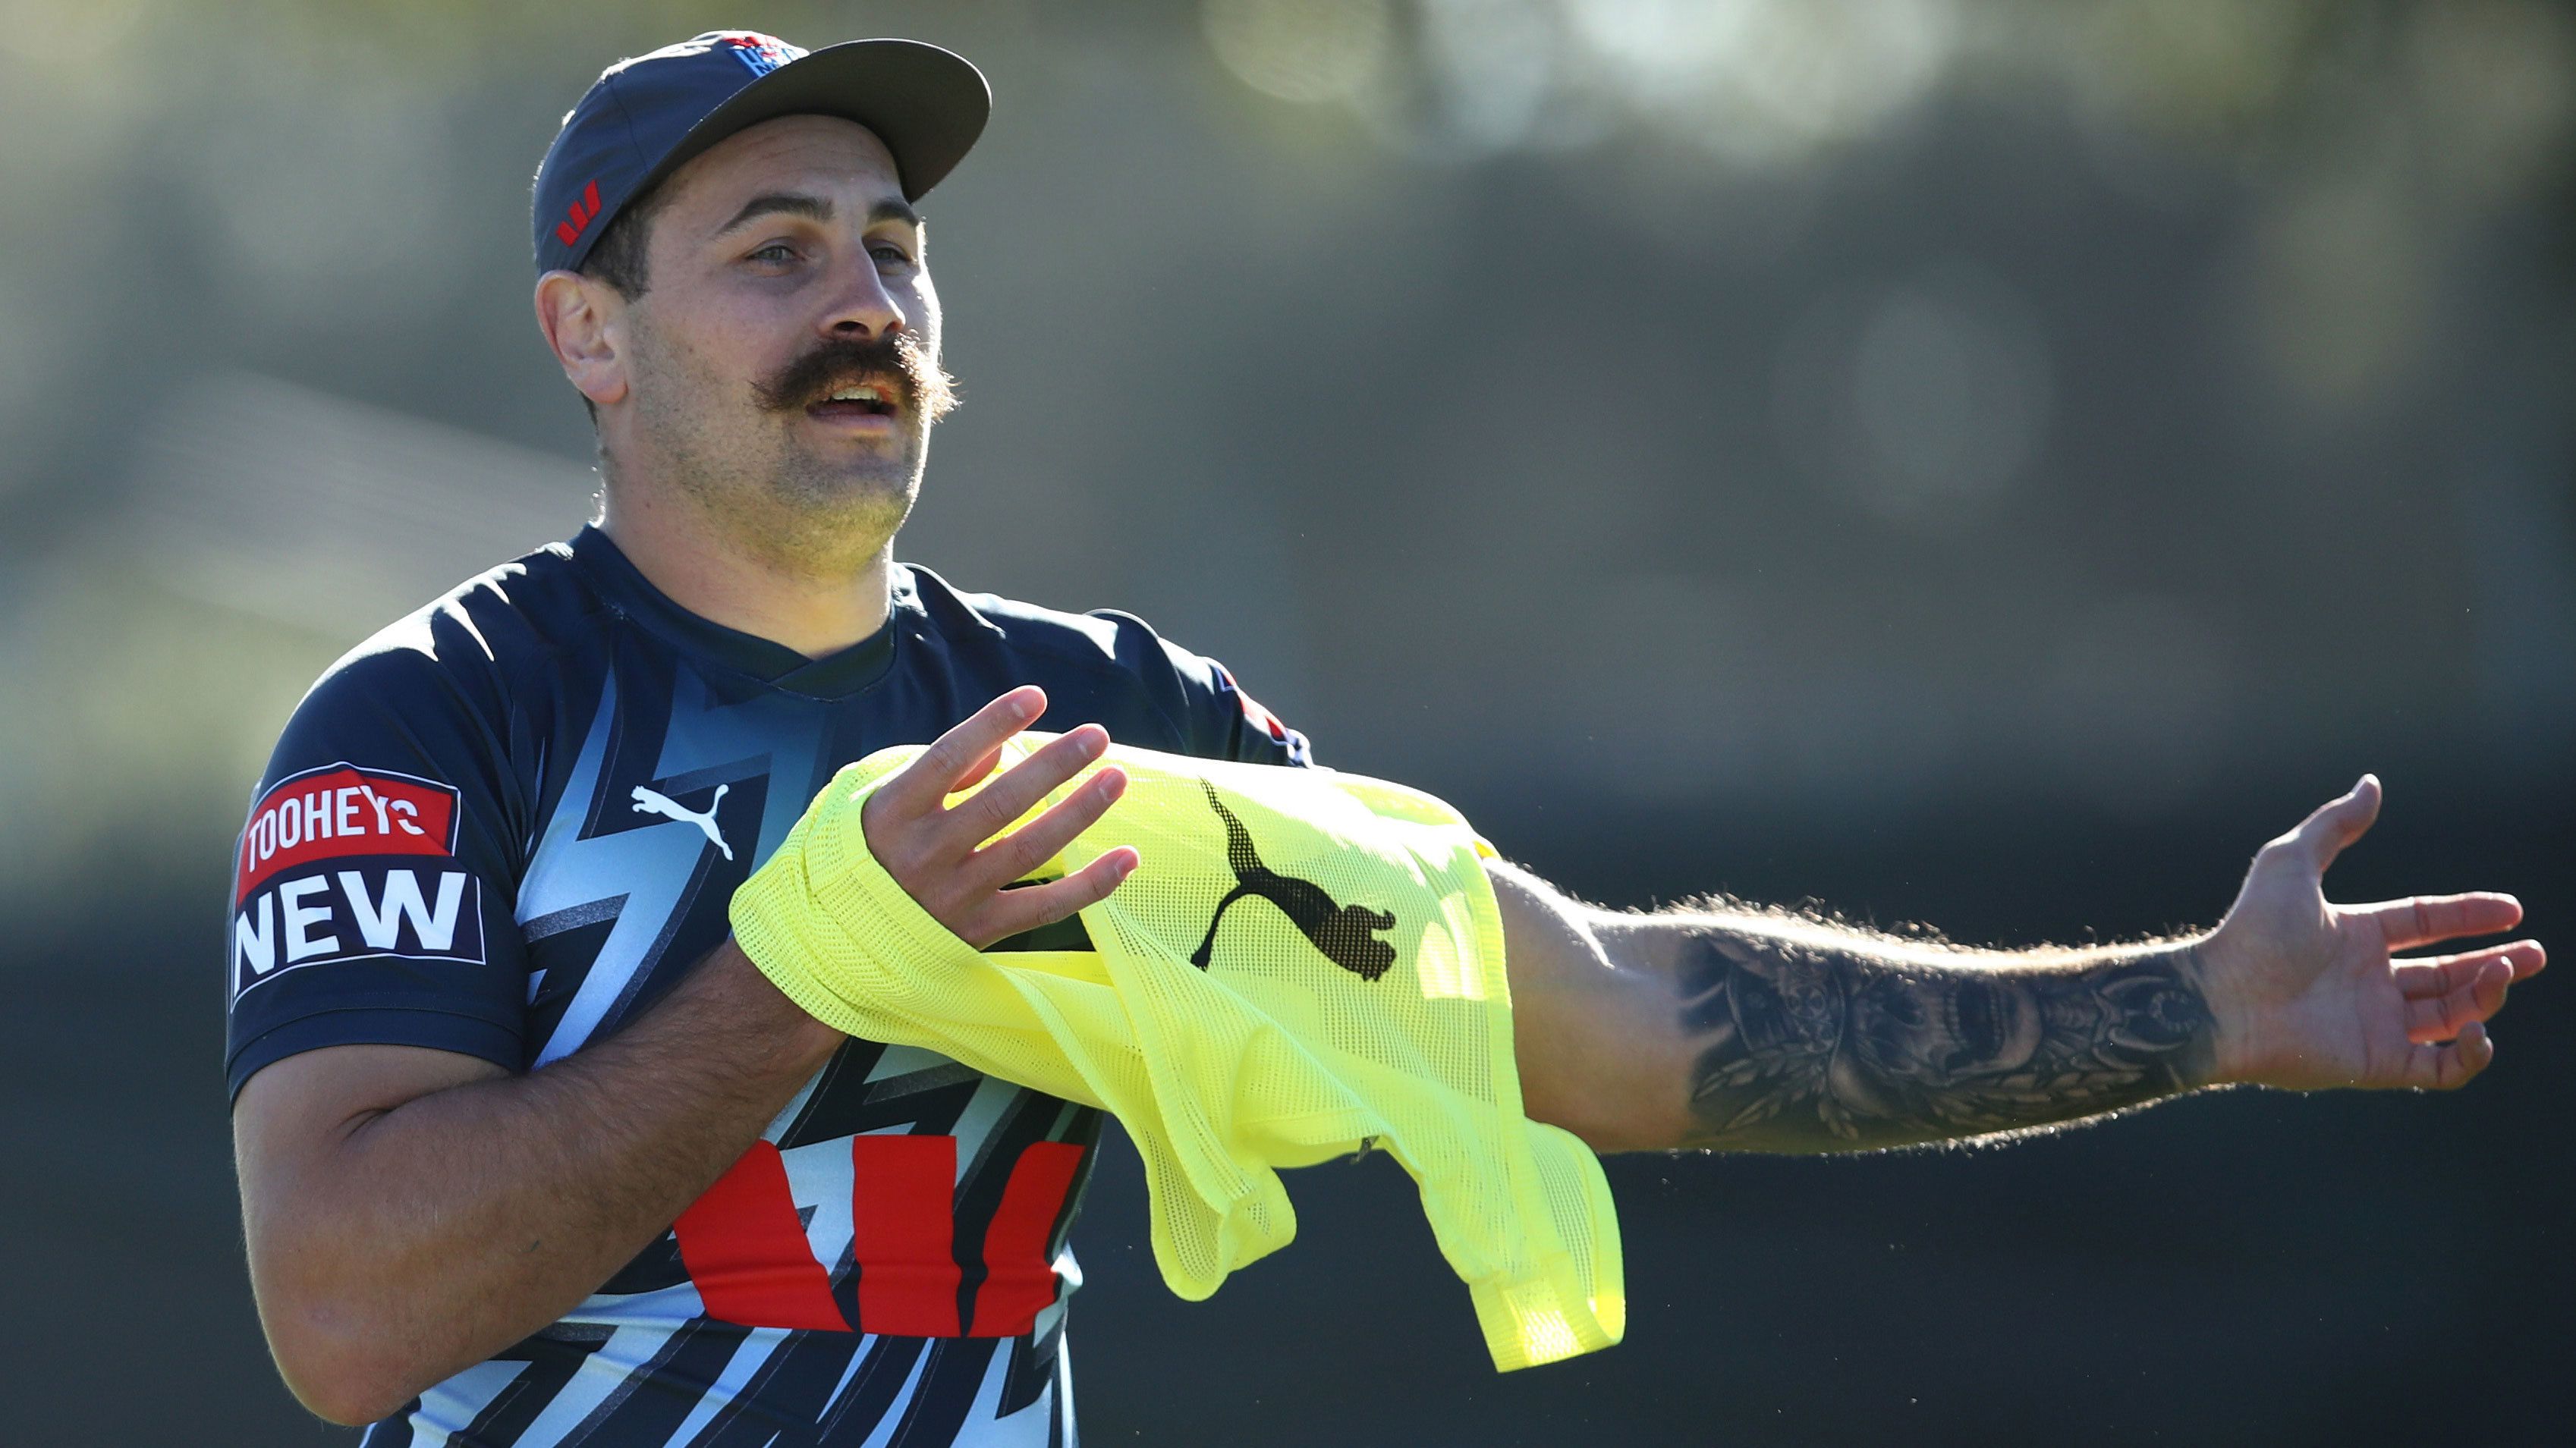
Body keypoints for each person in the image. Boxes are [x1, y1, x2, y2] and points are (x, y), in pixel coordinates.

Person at [223, 30, 2544, 1448]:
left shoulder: (1107, 715)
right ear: (588, 336)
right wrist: (810, 965)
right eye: (770, 248)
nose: (863, 300)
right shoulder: (435, 719)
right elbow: (342, 1314)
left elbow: (1609, 1018)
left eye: (893, 246)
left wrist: (2196, 1012)